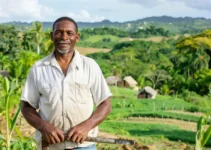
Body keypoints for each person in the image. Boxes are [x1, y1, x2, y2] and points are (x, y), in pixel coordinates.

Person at [20, 16, 112, 150]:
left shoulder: (90, 66)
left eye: (69, 33)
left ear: (77, 37)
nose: (64, 37)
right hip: (50, 145)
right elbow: (26, 106)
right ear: (52, 36)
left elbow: (105, 104)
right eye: (59, 32)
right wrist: (44, 127)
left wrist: (86, 126)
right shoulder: (38, 68)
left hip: (84, 145)